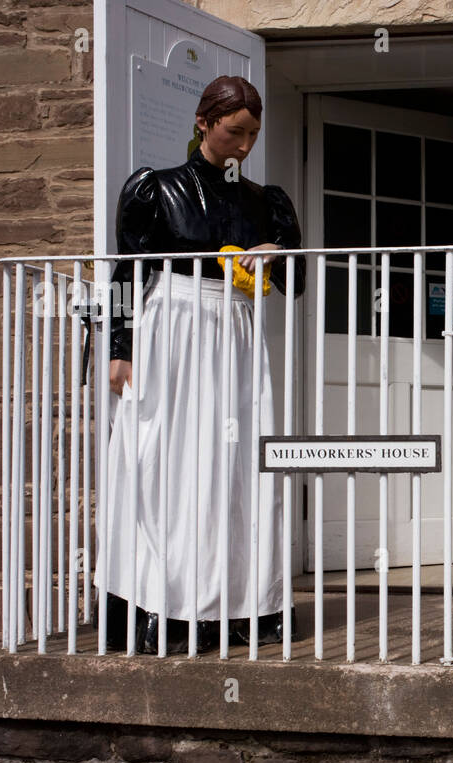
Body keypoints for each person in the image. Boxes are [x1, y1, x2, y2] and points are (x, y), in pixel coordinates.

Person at [94, 75, 305, 655]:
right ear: (203, 123)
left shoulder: (267, 202)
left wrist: (276, 257)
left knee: (237, 463)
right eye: (234, 131)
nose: (244, 145)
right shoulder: (155, 190)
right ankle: (162, 601)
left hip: (234, 330)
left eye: (253, 135)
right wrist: (118, 347)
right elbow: (124, 277)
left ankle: (239, 603)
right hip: (172, 325)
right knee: (165, 458)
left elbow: (299, 286)